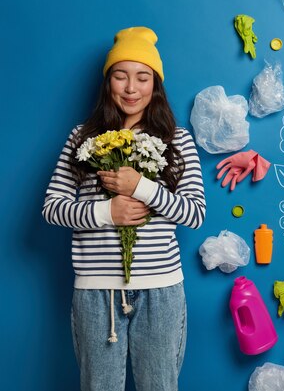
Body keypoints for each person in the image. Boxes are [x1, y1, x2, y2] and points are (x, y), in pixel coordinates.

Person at [42, 26, 206, 391]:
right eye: (121, 76)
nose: (131, 88)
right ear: (108, 82)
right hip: (95, 291)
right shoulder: (81, 138)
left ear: (155, 84)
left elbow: (194, 213)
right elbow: (53, 208)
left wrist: (142, 187)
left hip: (161, 291)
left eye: (142, 77)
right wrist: (107, 214)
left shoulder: (176, 139)